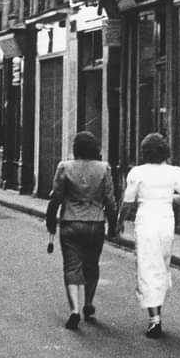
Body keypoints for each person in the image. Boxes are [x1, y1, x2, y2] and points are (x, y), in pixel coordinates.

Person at [122, 132, 180, 338]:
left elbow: (128, 202)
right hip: (165, 222)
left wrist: (117, 222)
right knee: (162, 264)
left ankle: (155, 319)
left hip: (146, 222)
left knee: (147, 265)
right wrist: (168, 197)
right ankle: (157, 309)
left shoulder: (137, 172)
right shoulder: (175, 172)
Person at [46, 131, 117, 330]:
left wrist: (51, 220)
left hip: (70, 222)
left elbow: (56, 197)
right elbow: (110, 200)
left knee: (71, 266)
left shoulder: (64, 167)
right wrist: (113, 226)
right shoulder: (104, 169)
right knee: (92, 265)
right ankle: (88, 303)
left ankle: (75, 310)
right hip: (95, 224)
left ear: (75, 149)